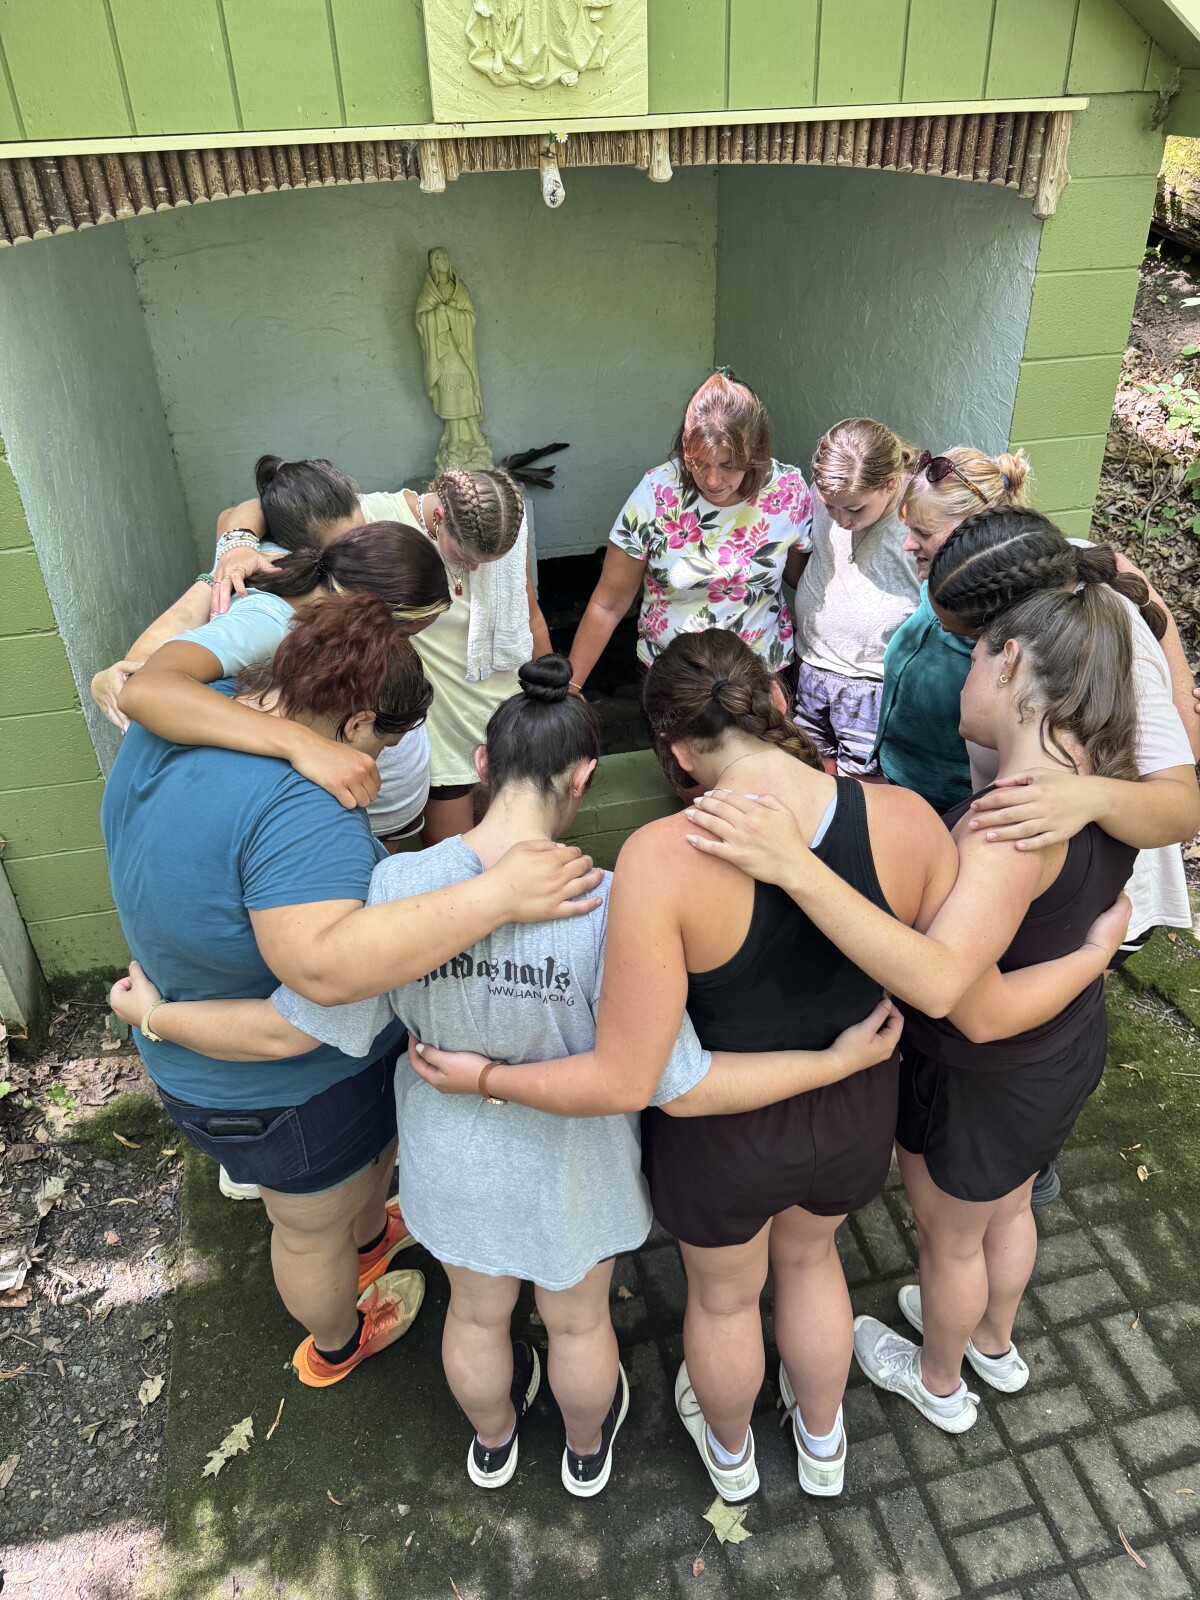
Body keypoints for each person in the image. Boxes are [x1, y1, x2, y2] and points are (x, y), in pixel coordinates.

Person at [105, 653, 904, 1497]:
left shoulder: (396, 885)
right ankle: (587, 1451)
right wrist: (832, 1063)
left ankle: (492, 1445)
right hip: (577, 1168)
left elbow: (301, 1024)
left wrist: (156, 1015)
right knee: (579, 1322)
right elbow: (677, 1078)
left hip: (453, 1165)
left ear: (482, 765)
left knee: (478, 1317)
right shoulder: (612, 900)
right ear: (584, 780)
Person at [407, 632, 1127, 1498]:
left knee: (722, 1302)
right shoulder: (903, 818)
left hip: (723, 1137)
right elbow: (952, 977)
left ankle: (733, 1454)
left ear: (674, 749)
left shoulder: (661, 859)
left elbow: (632, 1078)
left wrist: (483, 1078)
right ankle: (824, 1445)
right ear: (779, 702)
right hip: (856, 1107)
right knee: (813, 1266)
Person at [681, 578, 1145, 1435]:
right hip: (1066, 1054)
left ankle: (938, 1378)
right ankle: (993, 1343)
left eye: (970, 656)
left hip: (986, 1075)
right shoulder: (1112, 779)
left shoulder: (1006, 829)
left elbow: (960, 999)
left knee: (953, 1238)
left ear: (1009, 661)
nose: (961, 676)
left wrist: (795, 863)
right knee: (1008, 1207)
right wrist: (1089, 961)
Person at [103, 595, 603, 1388]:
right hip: (284, 1090)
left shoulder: (183, 714)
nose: (381, 761)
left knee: (339, 1200)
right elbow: (316, 996)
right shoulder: (309, 818)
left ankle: (369, 1238)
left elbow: (147, 681)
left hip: (195, 1065)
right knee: (304, 1233)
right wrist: (497, 896)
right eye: (385, 740)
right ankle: (337, 1343)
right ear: (356, 721)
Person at [923, 509, 1200, 1204]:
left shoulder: (1101, 627)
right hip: (1051, 876)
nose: (962, 659)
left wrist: (1088, 799)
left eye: (969, 644)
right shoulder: (1039, 580)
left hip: (1081, 871)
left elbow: (1184, 803)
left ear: (1012, 645)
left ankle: (1019, 1167)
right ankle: (1017, 1174)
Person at [93, 454, 552, 844]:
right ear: (369, 608)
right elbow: (147, 688)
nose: (349, 545)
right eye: (405, 635)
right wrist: (300, 745)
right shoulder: (272, 620)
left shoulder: (318, 585)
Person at [566, 372, 813, 696]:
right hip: (674, 680)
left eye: (728, 465)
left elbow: (805, 581)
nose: (712, 480)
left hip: (760, 678)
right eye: (698, 463)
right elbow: (608, 604)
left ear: (755, 453)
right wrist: (569, 689)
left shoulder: (787, 490)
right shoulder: (656, 492)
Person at [871, 446, 1031, 810]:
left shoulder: (1008, 621)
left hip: (951, 804)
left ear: (972, 535)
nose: (907, 543)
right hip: (900, 779)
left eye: (922, 532)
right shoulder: (940, 583)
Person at [789, 420, 923, 777]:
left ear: (890, 484)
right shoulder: (829, 492)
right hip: (811, 667)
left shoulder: (919, 512)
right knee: (807, 776)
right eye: (831, 507)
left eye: (854, 509)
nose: (841, 519)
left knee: (862, 792)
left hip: (873, 684)